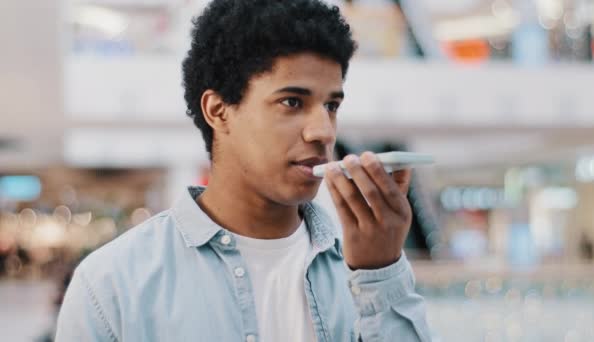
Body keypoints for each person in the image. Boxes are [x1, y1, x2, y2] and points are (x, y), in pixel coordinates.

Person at [55, 1, 431, 341]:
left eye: (331, 105)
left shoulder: (365, 271)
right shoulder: (112, 284)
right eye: (292, 101)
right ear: (218, 110)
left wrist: (381, 273)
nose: (324, 131)